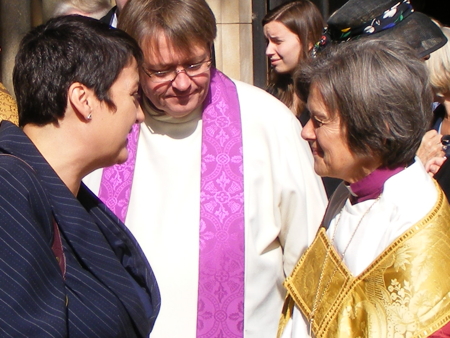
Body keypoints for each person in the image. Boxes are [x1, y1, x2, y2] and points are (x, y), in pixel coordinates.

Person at [83, 0, 328, 337]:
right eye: (162, 70)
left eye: (195, 64)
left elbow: (312, 266)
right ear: (135, 64)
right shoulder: (105, 131)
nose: (182, 83)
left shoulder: (268, 123)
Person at [278, 38, 450, 338]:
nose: (306, 132)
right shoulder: (351, 190)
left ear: (377, 128)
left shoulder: (414, 226)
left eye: (319, 121)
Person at [1, 15, 160, 336]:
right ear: (83, 100)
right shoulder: (9, 188)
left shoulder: (64, 196)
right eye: (133, 95)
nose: (140, 114)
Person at [262, 0, 324, 124]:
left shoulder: (328, 91)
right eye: (267, 42)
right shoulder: (273, 93)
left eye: (277, 41)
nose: (268, 51)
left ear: (309, 41)